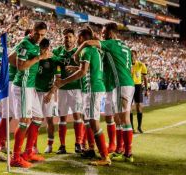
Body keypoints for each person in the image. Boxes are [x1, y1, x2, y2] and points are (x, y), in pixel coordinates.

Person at [48, 28, 111, 166]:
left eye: (79, 37)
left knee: (93, 121)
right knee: (88, 119)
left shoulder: (86, 50)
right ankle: (92, 149)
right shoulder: (95, 51)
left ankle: (104, 156)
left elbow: (83, 72)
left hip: (92, 89)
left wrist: (63, 81)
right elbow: (87, 69)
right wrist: (75, 68)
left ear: (83, 38)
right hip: (93, 88)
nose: (77, 40)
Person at [74, 23, 135, 162]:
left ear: (111, 33)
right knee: (120, 118)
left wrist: (78, 50)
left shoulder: (111, 43)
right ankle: (120, 148)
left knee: (124, 118)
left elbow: (91, 42)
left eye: (104, 32)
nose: (102, 35)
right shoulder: (124, 46)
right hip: (127, 83)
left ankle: (128, 153)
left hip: (120, 83)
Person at [8, 22, 52, 168]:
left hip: (30, 87)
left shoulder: (32, 44)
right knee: (24, 121)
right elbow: (20, 66)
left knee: (38, 118)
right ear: (32, 31)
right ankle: (15, 158)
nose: (40, 37)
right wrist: (39, 58)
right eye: (38, 34)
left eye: (43, 35)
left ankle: (28, 153)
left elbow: (9, 57)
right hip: (23, 86)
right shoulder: (26, 44)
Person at [45, 28, 84, 154]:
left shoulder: (79, 51)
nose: (67, 39)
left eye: (70, 37)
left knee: (77, 116)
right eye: (65, 37)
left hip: (76, 88)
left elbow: (84, 68)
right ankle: (62, 146)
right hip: (62, 89)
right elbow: (53, 61)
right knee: (62, 118)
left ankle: (78, 143)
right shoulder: (58, 51)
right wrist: (57, 74)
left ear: (74, 38)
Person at [130, 49, 148, 133]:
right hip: (129, 86)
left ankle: (139, 127)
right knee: (129, 108)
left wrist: (146, 89)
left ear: (136, 55)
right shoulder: (127, 65)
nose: (131, 56)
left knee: (139, 106)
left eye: (133, 55)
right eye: (130, 55)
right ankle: (131, 128)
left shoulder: (141, 65)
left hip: (138, 86)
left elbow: (145, 78)